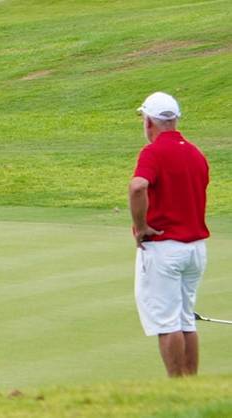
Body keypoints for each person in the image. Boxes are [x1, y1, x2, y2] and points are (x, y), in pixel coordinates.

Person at [129, 92, 210, 377]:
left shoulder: (153, 152)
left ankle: (177, 389)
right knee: (186, 320)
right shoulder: (195, 152)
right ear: (174, 120)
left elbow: (138, 186)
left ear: (149, 121)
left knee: (167, 323)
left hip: (164, 247)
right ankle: (191, 389)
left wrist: (140, 227)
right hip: (196, 250)